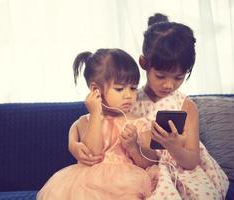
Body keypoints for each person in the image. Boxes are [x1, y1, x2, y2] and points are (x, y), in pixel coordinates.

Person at [69, 13, 229, 199]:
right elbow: (94, 119)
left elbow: (192, 161)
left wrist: (174, 146)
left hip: (180, 169)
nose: (169, 85)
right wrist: (73, 142)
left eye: (178, 77)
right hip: (139, 171)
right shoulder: (128, 98)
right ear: (144, 63)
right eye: (160, 76)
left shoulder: (185, 105)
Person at [37, 48, 159, 200]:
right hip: (88, 182)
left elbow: (151, 162)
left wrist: (134, 146)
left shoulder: (140, 122)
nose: (129, 95)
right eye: (120, 89)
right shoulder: (85, 121)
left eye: (133, 88)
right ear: (96, 90)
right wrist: (95, 113)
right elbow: (92, 155)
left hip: (128, 182)